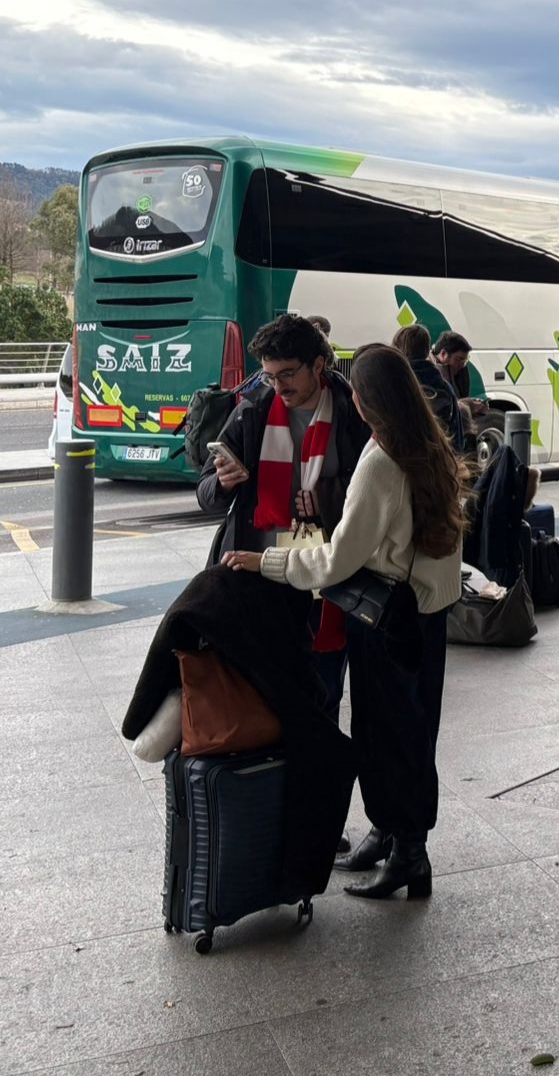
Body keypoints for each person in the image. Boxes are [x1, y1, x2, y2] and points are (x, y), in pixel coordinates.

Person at [222, 345, 465, 900]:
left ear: (368, 399)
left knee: (387, 734)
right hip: (425, 614)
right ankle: (390, 835)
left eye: (356, 389)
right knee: (411, 730)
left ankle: (409, 853)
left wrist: (268, 562)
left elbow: (337, 560)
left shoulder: (381, 461)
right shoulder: (430, 444)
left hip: (385, 619)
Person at [197, 314, 370, 709]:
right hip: (260, 575)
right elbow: (205, 493)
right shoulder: (251, 413)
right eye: (270, 376)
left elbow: (373, 496)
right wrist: (223, 483)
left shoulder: (351, 415)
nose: (279, 386)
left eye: (288, 374)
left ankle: (320, 769)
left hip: (325, 579)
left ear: (318, 365)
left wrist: (327, 503)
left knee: (324, 692)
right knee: (266, 700)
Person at [393, 324, 468, 454]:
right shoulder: (444, 386)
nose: (462, 365)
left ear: (399, 350)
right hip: (437, 463)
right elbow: (458, 442)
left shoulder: (393, 383)